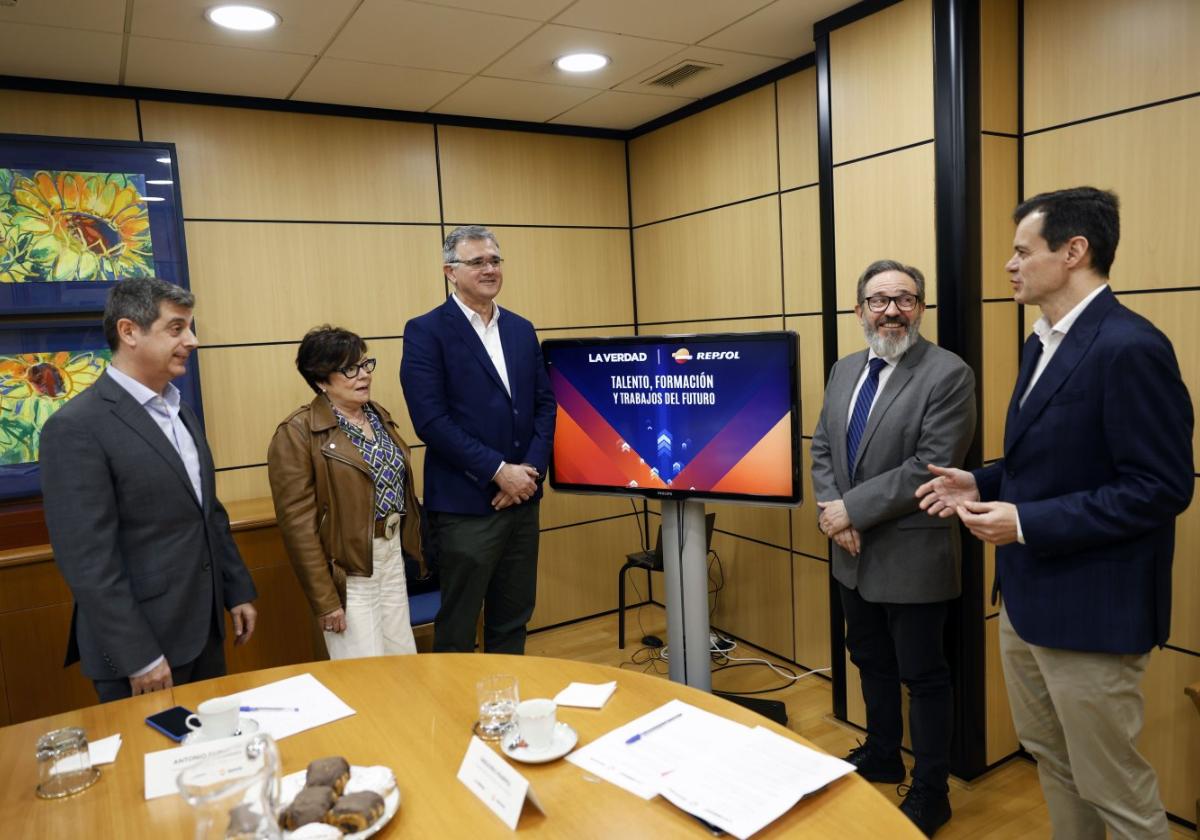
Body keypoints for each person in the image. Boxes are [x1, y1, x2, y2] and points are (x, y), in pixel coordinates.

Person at [917, 187, 1193, 840]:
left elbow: (1160, 487)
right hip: (1027, 595)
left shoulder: (1130, 347)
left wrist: (1027, 522)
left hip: (1094, 610)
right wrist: (979, 478)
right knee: (1055, 760)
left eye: (1021, 251)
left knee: (1113, 785)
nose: (1010, 265)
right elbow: (1052, 462)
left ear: (1075, 251)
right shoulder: (1041, 342)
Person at [811, 260, 976, 837]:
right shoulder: (843, 368)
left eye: (904, 299)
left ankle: (932, 790)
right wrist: (835, 516)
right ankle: (882, 752)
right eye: (878, 300)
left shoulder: (948, 373)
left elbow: (927, 467)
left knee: (924, 676)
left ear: (921, 309)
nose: (891, 311)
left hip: (913, 556)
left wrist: (849, 511)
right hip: (851, 551)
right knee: (869, 660)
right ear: (859, 310)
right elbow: (824, 449)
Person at [40, 276, 258, 702]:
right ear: (129, 332)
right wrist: (138, 656)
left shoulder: (181, 412)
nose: (192, 341)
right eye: (176, 329)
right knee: (152, 765)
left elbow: (207, 512)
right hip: (141, 650)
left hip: (205, 627)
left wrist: (237, 589)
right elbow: (88, 561)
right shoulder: (75, 428)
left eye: (191, 328)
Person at [400, 225, 556, 654]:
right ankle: (452, 715)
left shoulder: (521, 329)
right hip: (467, 504)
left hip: (523, 499)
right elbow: (430, 421)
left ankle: (507, 711)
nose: (489, 269)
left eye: (494, 260)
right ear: (451, 271)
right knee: (459, 622)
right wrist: (498, 471)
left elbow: (545, 406)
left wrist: (528, 474)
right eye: (477, 262)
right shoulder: (426, 331)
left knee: (514, 615)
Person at [267, 326, 427, 659]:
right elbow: (299, 529)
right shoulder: (298, 432)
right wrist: (325, 600)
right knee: (363, 673)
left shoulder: (378, 415)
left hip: (391, 556)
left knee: (404, 662)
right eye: (349, 369)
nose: (363, 375)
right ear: (321, 380)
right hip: (347, 573)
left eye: (366, 364)